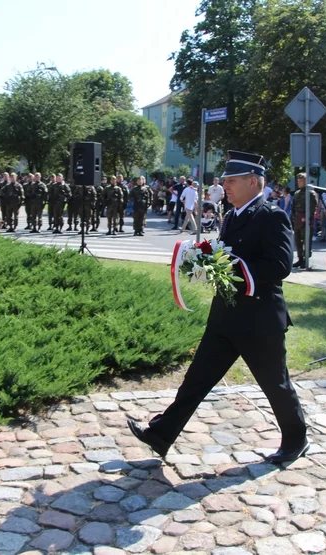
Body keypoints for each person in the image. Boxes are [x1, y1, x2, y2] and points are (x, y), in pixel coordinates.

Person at [127, 150, 308, 464]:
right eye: (225, 181)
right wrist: (202, 263)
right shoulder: (233, 214)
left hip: (260, 320)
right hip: (226, 316)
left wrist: (232, 267)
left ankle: (296, 439)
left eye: (231, 181)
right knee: (196, 379)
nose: (225, 186)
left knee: (275, 384)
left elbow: (280, 266)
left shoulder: (271, 215)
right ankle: (160, 434)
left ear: (254, 182)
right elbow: (225, 258)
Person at [291, 172, 318, 268]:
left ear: (306, 181)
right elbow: (293, 206)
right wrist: (294, 217)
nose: (299, 182)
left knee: (306, 240)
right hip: (297, 219)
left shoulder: (311, 194)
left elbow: (313, 207)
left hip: (306, 220)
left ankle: (306, 259)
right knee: (298, 240)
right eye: (298, 181)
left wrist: (307, 218)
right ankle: (300, 258)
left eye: (301, 181)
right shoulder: (297, 193)